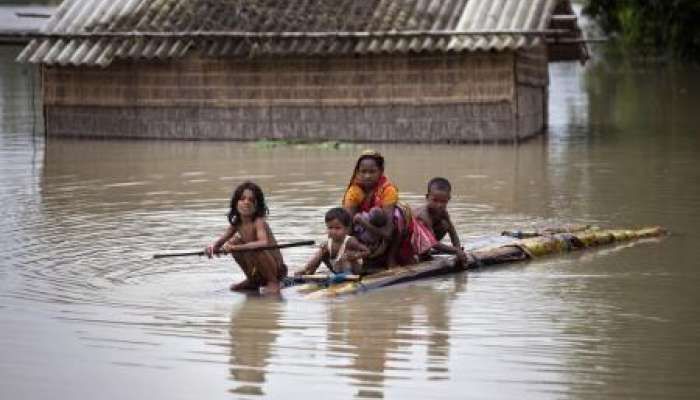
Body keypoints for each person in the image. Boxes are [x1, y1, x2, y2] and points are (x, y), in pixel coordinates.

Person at [205, 181, 287, 294]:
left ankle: (273, 282)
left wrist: (235, 248)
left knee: (253, 247)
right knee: (234, 241)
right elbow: (221, 241)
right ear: (236, 203)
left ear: (257, 205)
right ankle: (253, 280)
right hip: (257, 267)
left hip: (276, 270)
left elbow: (263, 243)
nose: (246, 202)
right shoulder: (236, 223)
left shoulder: (258, 222)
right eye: (242, 199)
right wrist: (212, 248)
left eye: (251, 200)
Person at [342, 150, 413, 268]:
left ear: (380, 172)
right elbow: (348, 226)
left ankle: (391, 258)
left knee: (399, 213)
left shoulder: (388, 189)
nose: (367, 176)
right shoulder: (354, 191)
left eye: (372, 171)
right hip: (362, 236)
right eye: (363, 172)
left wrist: (362, 222)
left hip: (384, 233)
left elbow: (388, 233)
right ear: (357, 172)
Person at [296, 207, 369, 276]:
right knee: (322, 251)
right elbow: (317, 257)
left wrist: (354, 256)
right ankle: (308, 270)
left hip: (354, 272)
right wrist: (307, 267)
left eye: (337, 228)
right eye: (330, 228)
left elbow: (367, 251)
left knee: (349, 255)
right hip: (338, 270)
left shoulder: (350, 241)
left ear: (346, 229)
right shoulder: (328, 243)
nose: (333, 231)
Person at [412, 177, 468, 265]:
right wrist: (456, 251)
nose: (439, 205)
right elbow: (433, 243)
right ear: (427, 197)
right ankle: (421, 254)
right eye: (435, 200)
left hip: (426, 241)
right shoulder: (424, 215)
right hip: (409, 245)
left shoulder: (443, 212)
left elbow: (453, 233)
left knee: (445, 224)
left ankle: (425, 253)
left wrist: (458, 251)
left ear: (448, 199)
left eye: (443, 202)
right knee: (428, 235)